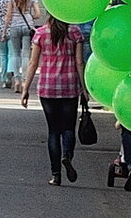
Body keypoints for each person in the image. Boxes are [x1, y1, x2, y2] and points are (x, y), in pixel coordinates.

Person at [19, 15, 86, 186]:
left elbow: (33, 63)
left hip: (47, 88)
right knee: (69, 128)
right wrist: (84, 88)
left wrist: (26, 88)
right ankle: (67, 155)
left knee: (53, 132)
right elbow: (79, 62)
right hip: (69, 87)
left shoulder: (41, 33)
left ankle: (56, 175)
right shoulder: (74, 33)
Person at [5, 0, 41, 93]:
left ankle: (17, 81)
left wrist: (5, 31)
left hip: (14, 27)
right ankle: (25, 80)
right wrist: (30, 17)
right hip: (27, 26)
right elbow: (38, 14)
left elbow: (9, 15)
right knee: (25, 54)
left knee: (15, 54)